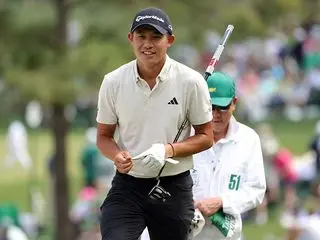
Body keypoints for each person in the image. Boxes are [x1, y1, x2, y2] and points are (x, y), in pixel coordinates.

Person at [96, 7, 213, 240]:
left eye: (155, 37)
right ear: (131, 39)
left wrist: (168, 150)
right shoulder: (113, 82)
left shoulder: (191, 82)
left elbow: (206, 136)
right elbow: (104, 136)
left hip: (174, 186)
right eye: (141, 37)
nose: (147, 44)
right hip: (128, 185)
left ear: (169, 40)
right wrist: (117, 156)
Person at [191, 72, 266, 239]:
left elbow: (256, 189)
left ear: (234, 103)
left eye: (222, 107)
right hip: (187, 231)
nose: (215, 114)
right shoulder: (184, 136)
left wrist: (222, 202)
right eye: (210, 107)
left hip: (226, 234)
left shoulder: (248, 139)